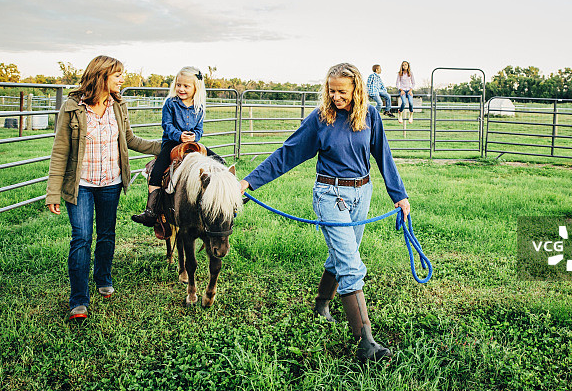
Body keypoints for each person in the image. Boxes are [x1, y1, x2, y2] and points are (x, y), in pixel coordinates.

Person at [239, 63, 411, 362]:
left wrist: (399, 195)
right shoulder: (320, 120)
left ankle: (321, 305)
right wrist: (249, 181)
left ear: (356, 89)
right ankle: (366, 343)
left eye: (342, 91)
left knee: (341, 254)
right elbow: (287, 153)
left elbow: (384, 156)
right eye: (331, 91)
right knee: (351, 264)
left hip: (362, 192)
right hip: (330, 194)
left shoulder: (370, 117)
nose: (335, 97)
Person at [46, 55, 161, 321]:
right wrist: (53, 191)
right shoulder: (73, 107)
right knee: (82, 238)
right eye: (118, 75)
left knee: (107, 234)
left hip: (111, 182)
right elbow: (60, 151)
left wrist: (164, 146)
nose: (123, 79)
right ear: (102, 76)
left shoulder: (118, 106)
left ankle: (103, 277)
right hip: (81, 185)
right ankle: (78, 300)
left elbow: (130, 140)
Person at [131, 66, 205, 228]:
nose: (181, 89)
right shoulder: (170, 103)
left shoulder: (199, 107)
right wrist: (179, 135)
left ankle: (223, 198)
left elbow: (199, 129)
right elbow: (167, 125)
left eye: (186, 86)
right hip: (172, 143)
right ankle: (151, 211)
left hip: (192, 145)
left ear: (195, 88)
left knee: (216, 161)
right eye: (179, 85)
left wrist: (194, 137)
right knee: (157, 172)